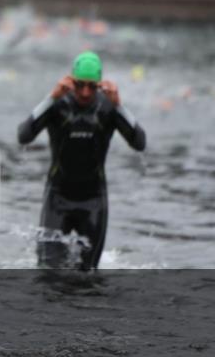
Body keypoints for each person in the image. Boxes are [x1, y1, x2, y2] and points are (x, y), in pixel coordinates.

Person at [17, 51, 145, 270]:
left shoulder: (108, 108)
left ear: (100, 85)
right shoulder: (58, 105)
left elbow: (140, 142)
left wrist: (120, 106)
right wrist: (51, 98)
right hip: (57, 200)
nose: (85, 92)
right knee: (48, 272)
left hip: (93, 202)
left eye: (91, 86)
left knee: (88, 278)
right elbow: (24, 135)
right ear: (71, 81)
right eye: (79, 85)